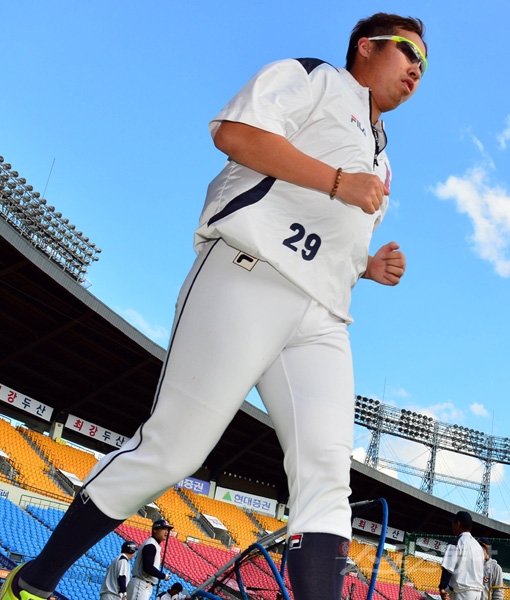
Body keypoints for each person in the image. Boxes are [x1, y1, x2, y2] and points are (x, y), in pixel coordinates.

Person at [0, 12, 427, 600]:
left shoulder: (383, 155)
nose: (417, 69)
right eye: (408, 52)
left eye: (424, 65)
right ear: (366, 47)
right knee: (173, 449)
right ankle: (32, 583)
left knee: (328, 476)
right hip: (247, 275)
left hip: (324, 314)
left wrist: (365, 264)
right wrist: (335, 180)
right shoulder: (315, 78)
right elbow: (235, 134)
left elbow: (328, 235)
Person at [439, 511, 484, 600]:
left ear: (458, 524)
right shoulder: (478, 546)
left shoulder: (456, 542)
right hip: (477, 594)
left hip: (462, 594)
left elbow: (448, 568)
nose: (452, 526)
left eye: (453, 523)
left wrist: (442, 588)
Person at [126, 519, 172, 600]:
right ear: (155, 530)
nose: (167, 532)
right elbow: (148, 567)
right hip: (141, 584)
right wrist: (163, 576)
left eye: (167, 529)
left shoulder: (153, 544)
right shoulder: (151, 545)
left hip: (143, 585)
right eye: (164, 529)